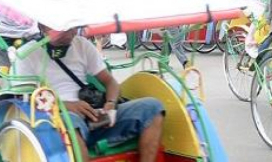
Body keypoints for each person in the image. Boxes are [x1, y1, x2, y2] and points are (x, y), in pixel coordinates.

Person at [15, 26, 164, 162]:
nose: (71, 33)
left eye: (74, 27)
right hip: (58, 119)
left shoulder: (82, 45)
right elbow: (24, 100)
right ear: (43, 26)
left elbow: (110, 81)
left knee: (152, 107)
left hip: (94, 114)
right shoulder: (26, 55)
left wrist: (110, 105)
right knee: (70, 123)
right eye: (64, 28)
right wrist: (64, 106)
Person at [162, 0, 189, 68]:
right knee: (176, 41)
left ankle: (163, 61)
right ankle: (185, 62)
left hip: (180, 14)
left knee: (173, 41)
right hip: (169, 15)